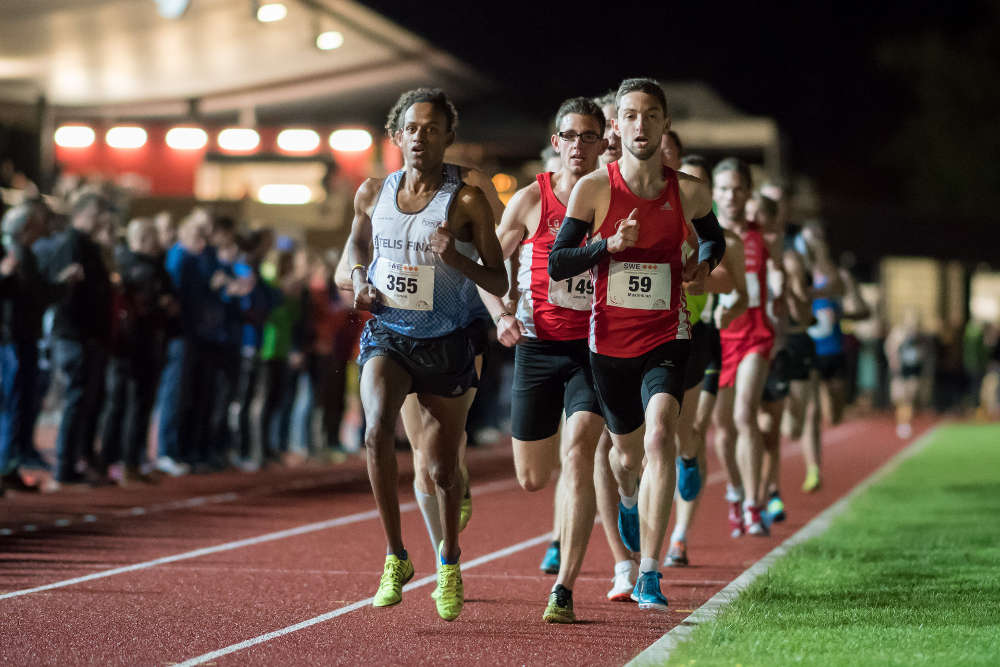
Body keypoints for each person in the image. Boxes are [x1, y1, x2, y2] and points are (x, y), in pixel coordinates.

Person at [549, 78, 725, 611]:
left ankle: (650, 571)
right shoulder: (594, 190)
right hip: (609, 343)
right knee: (625, 455)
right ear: (616, 128)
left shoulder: (688, 190)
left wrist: (703, 261)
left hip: (667, 336)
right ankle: (628, 497)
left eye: (651, 115)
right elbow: (560, 262)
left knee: (661, 437)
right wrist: (607, 245)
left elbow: (713, 236)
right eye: (630, 115)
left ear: (664, 123)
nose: (641, 125)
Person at [343, 88, 507, 621]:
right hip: (389, 333)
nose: (420, 136)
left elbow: (498, 277)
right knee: (375, 431)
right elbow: (353, 251)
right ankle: (395, 556)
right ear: (397, 135)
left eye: (431, 128)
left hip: (448, 340)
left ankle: (450, 563)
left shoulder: (465, 201)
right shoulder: (372, 191)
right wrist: (358, 280)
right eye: (411, 128)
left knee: (440, 471)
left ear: (447, 137)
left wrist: (454, 258)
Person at [481, 97, 609, 623]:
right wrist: (499, 315)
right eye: (570, 136)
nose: (579, 146)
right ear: (557, 142)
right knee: (534, 477)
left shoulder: (613, 198)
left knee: (579, 449)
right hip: (537, 345)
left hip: (597, 348)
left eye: (589, 136)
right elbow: (487, 265)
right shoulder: (531, 199)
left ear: (604, 143)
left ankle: (564, 588)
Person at [665, 155, 748, 567]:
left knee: (694, 432)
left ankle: (679, 536)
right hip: (658, 334)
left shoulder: (721, 236)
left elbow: (734, 284)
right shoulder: (662, 222)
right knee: (653, 435)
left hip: (701, 336)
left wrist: (692, 273)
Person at [710, 158, 781, 537]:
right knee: (722, 430)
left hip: (755, 333)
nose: (731, 196)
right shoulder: (705, 235)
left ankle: (755, 505)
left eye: (738, 189)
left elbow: (782, 276)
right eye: (723, 189)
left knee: (744, 416)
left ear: (748, 193)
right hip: (719, 337)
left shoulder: (764, 237)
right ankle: (736, 493)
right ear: (714, 194)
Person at [0, 201, 82, 493]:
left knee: (21, 400)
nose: (42, 228)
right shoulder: (16, 252)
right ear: (24, 227)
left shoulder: (25, 254)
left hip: (21, 335)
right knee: (14, 400)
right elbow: (30, 296)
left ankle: (13, 462)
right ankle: (8, 462)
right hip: (14, 337)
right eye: (36, 223)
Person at [44, 191, 115, 485]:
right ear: (85, 213)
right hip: (76, 334)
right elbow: (60, 288)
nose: (103, 220)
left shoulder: (89, 246)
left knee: (88, 399)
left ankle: (78, 461)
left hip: (88, 335)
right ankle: (65, 465)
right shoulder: (72, 243)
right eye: (99, 214)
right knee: (76, 398)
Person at [100, 218, 175, 485]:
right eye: (152, 237)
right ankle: (116, 461)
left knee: (138, 405)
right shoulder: (133, 266)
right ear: (140, 238)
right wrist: (158, 303)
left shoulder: (155, 267)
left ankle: (131, 460)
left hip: (147, 343)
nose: (158, 242)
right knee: (123, 404)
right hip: (129, 345)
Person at [886, 309, 926, 438]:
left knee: (910, 398)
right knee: (901, 399)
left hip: (912, 371)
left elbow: (920, 353)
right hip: (900, 372)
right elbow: (891, 350)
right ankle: (903, 423)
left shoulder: (918, 335)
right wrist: (895, 364)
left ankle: (906, 423)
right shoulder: (897, 333)